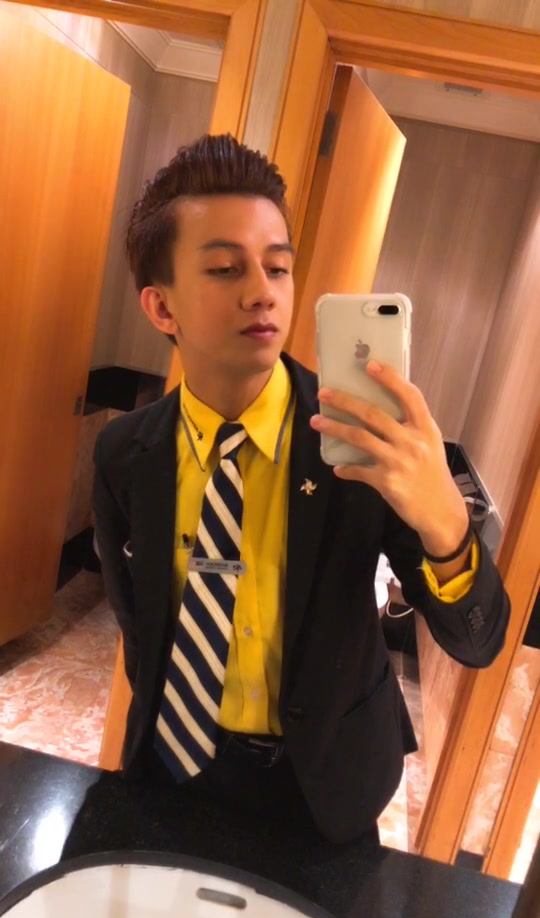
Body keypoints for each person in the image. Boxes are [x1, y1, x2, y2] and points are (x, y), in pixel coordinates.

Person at [93, 134, 509, 847]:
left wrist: (445, 523)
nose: (264, 291)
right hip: (170, 772)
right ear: (162, 309)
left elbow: (479, 642)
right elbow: (141, 624)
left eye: (278, 267)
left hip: (323, 793)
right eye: (226, 268)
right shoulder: (123, 454)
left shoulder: (360, 443)